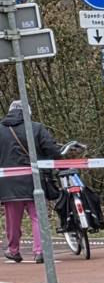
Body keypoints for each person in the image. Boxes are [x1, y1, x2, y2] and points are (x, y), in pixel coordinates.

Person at [2, 98, 60, 264]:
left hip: (8, 183)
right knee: (37, 216)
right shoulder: (36, 128)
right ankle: (40, 250)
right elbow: (51, 149)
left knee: (12, 219)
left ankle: (14, 250)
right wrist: (60, 159)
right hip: (34, 179)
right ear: (28, 112)